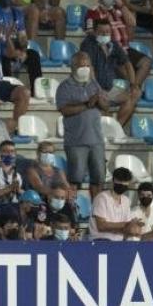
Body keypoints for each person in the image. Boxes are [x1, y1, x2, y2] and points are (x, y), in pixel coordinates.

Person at [55, 52, 108, 200]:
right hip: (76, 142)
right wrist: (87, 104)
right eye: (81, 65)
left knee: (98, 180)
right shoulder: (64, 87)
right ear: (73, 67)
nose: (85, 68)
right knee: (74, 181)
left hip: (96, 141)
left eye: (87, 65)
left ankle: (97, 212)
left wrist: (99, 99)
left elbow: (106, 106)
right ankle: (73, 210)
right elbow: (64, 110)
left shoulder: (94, 84)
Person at [79, 18, 141, 126]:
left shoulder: (113, 44)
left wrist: (133, 84)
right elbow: (90, 70)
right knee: (103, 104)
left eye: (107, 32)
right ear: (94, 32)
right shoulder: (88, 44)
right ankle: (108, 126)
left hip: (109, 88)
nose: (105, 34)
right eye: (101, 32)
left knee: (135, 95)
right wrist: (98, 90)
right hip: (92, 88)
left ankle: (117, 128)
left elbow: (127, 63)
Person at [89, 167, 142, 241]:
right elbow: (101, 226)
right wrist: (127, 224)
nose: (122, 185)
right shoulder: (102, 198)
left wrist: (134, 227)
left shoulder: (126, 201)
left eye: (124, 183)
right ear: (113, 181)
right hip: (101, 241)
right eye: (119, 182)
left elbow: (127, 228)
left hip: (119, 242)